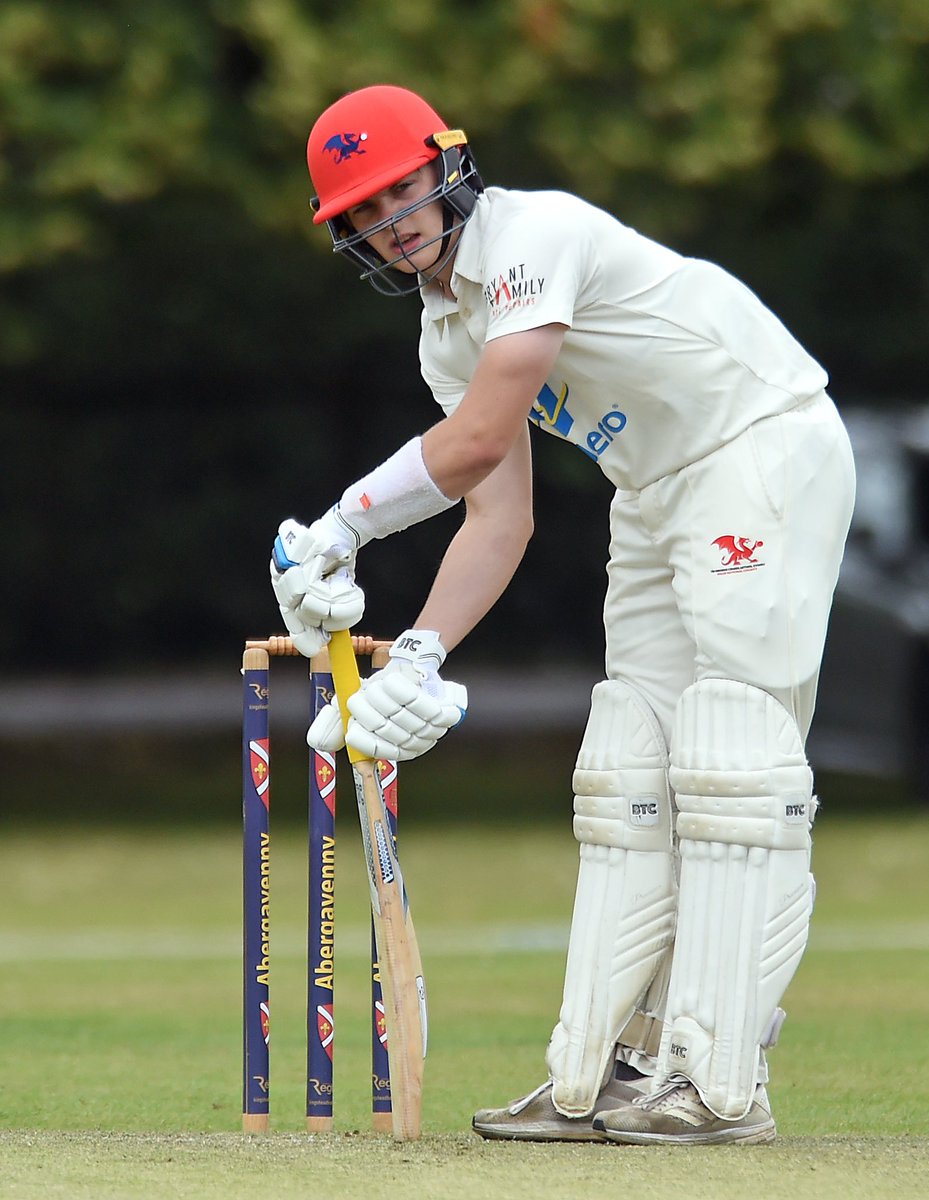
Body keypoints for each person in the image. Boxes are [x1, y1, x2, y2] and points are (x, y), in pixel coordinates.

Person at [269, 84, 856, 1145]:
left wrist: (342, 525)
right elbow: (498, 520)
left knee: (731, 763)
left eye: (400, 190)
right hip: (656, 488)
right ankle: (604, 1073)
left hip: (758, 443)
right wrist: (419, 656)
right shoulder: (446, 339)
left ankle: (722, 1083)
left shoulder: (539, 237)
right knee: (627, 765)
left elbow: (482, 441)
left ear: (447, 168)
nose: (391, 222)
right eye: (362, 211)